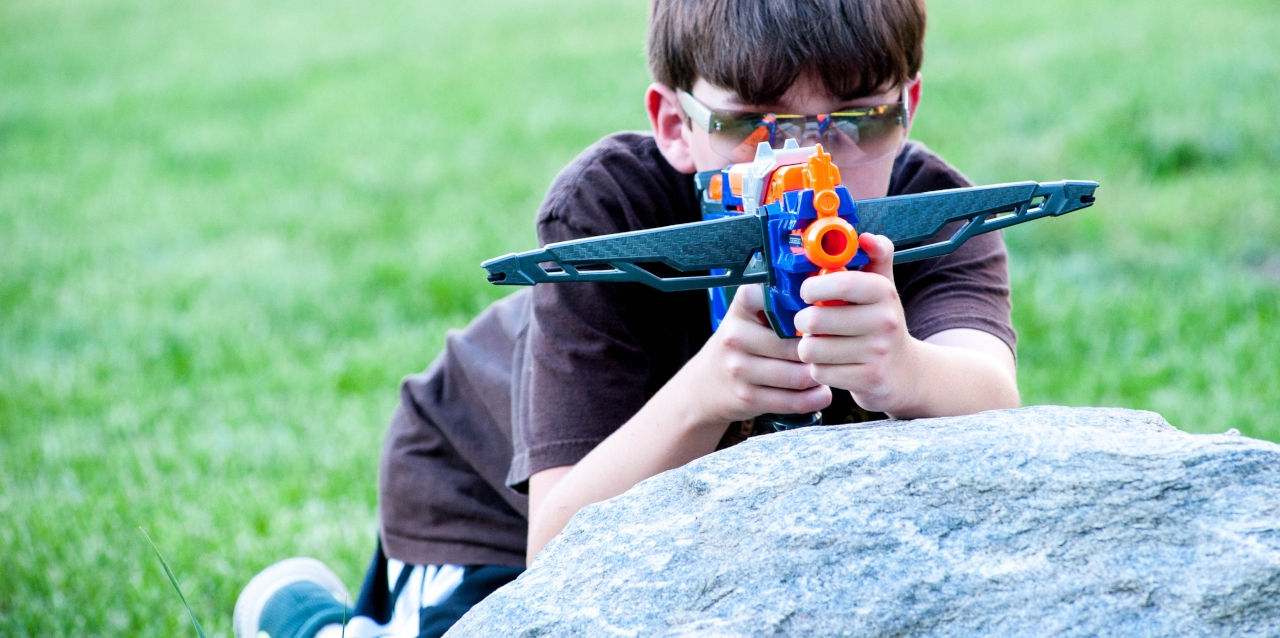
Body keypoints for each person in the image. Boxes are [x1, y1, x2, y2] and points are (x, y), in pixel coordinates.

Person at [233, 0, 1020, 636]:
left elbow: (995, 397)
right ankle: (302, 618)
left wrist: (908, 369)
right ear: (675, 124)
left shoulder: (937, 218)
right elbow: (558, 536)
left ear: (907, 106)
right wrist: (711, 390)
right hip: (491, 499)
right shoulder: (608, 212)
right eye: (751, 121)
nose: (801, 159)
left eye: (856, 118)